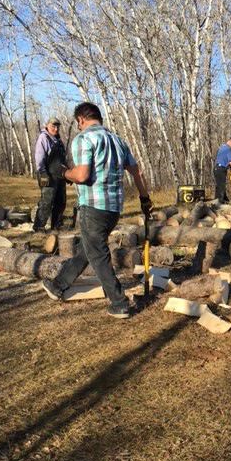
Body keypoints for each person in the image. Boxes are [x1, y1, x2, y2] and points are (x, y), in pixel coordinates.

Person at [41, 102, 152, 319]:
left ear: (81, 119)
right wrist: (144, 197)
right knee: (88, 248)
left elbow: (82, 175)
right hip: (114, 208)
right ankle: (58, 285)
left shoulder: (84, 139)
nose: (79, 127)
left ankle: (119, 302)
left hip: (94, 207)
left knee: (98, 253)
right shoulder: (118, 140)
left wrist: (64, 173)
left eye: (78, 124)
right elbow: (136, 171)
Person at [32, 117, 67, 232]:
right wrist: (42, 172)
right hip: (48, 175)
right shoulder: (44, 138)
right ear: (47, 126)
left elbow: (63, 160)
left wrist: (68, 173)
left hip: (60, 176)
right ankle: (39, 227)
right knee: (46, 202)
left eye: (57, 127)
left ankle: (56, 226)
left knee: (60, 201)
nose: (56, 129)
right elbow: (39, 156)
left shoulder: (59, 141)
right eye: (53, 126)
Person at [214, 135, 231, 203]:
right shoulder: (229, 149)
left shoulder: (222, 147)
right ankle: (220, 203)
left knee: (219, 186)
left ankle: (220, 201)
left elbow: (223, 159)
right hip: (221, 169)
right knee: (221, 187)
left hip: (216, 168)